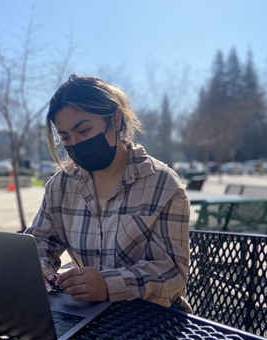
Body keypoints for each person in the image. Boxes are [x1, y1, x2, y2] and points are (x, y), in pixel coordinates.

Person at [25, 75, 192, 313]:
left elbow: (172, 272)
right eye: (65, 138)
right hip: (88, 315)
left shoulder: (163, 184)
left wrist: (108, 285)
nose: (75, 144)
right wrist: (39, 267)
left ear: (115, 118)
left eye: (84, 130)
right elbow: (41, 241)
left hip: (156, 322)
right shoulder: (60, 186)